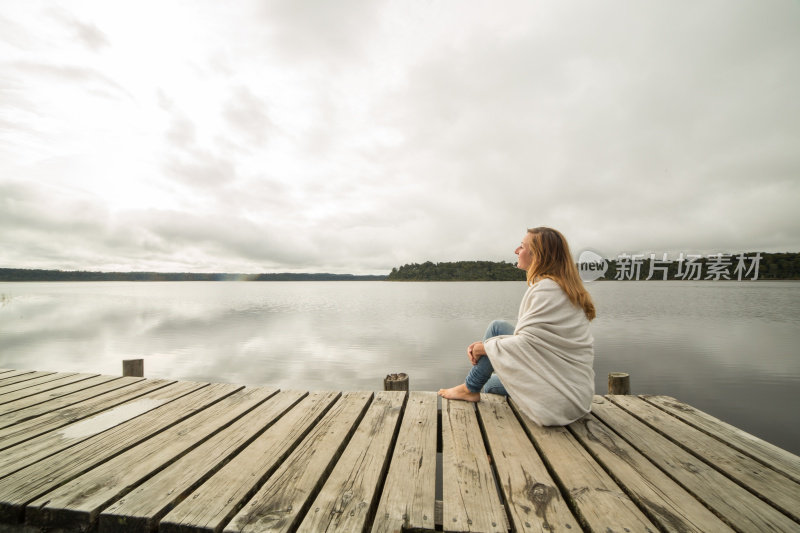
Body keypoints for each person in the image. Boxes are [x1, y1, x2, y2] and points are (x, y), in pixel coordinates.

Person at [438, 226, 596, 426]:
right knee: (497, 329)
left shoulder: (546, 290)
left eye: (521, 246)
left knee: (490, 386)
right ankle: (471, 386)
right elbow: (537, 343)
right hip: (578, 394)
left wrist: (482, 348)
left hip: (558, 401)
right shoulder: (563, 287)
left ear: (538, 255)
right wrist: (489, 348)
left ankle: (471, 388)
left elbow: (526, 344)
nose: (516, 251)